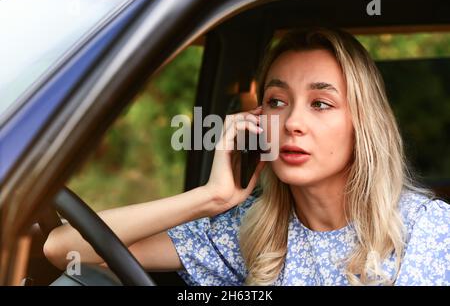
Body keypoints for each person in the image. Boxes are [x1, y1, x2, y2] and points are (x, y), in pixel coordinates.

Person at [44, 27, 450, 286]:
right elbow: (64, 250)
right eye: (276, 101)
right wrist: (212, 198)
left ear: (363, 123)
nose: (292, 122)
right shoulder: (248, 232)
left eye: (321, 103)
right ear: (257, 121)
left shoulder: (426, 230)